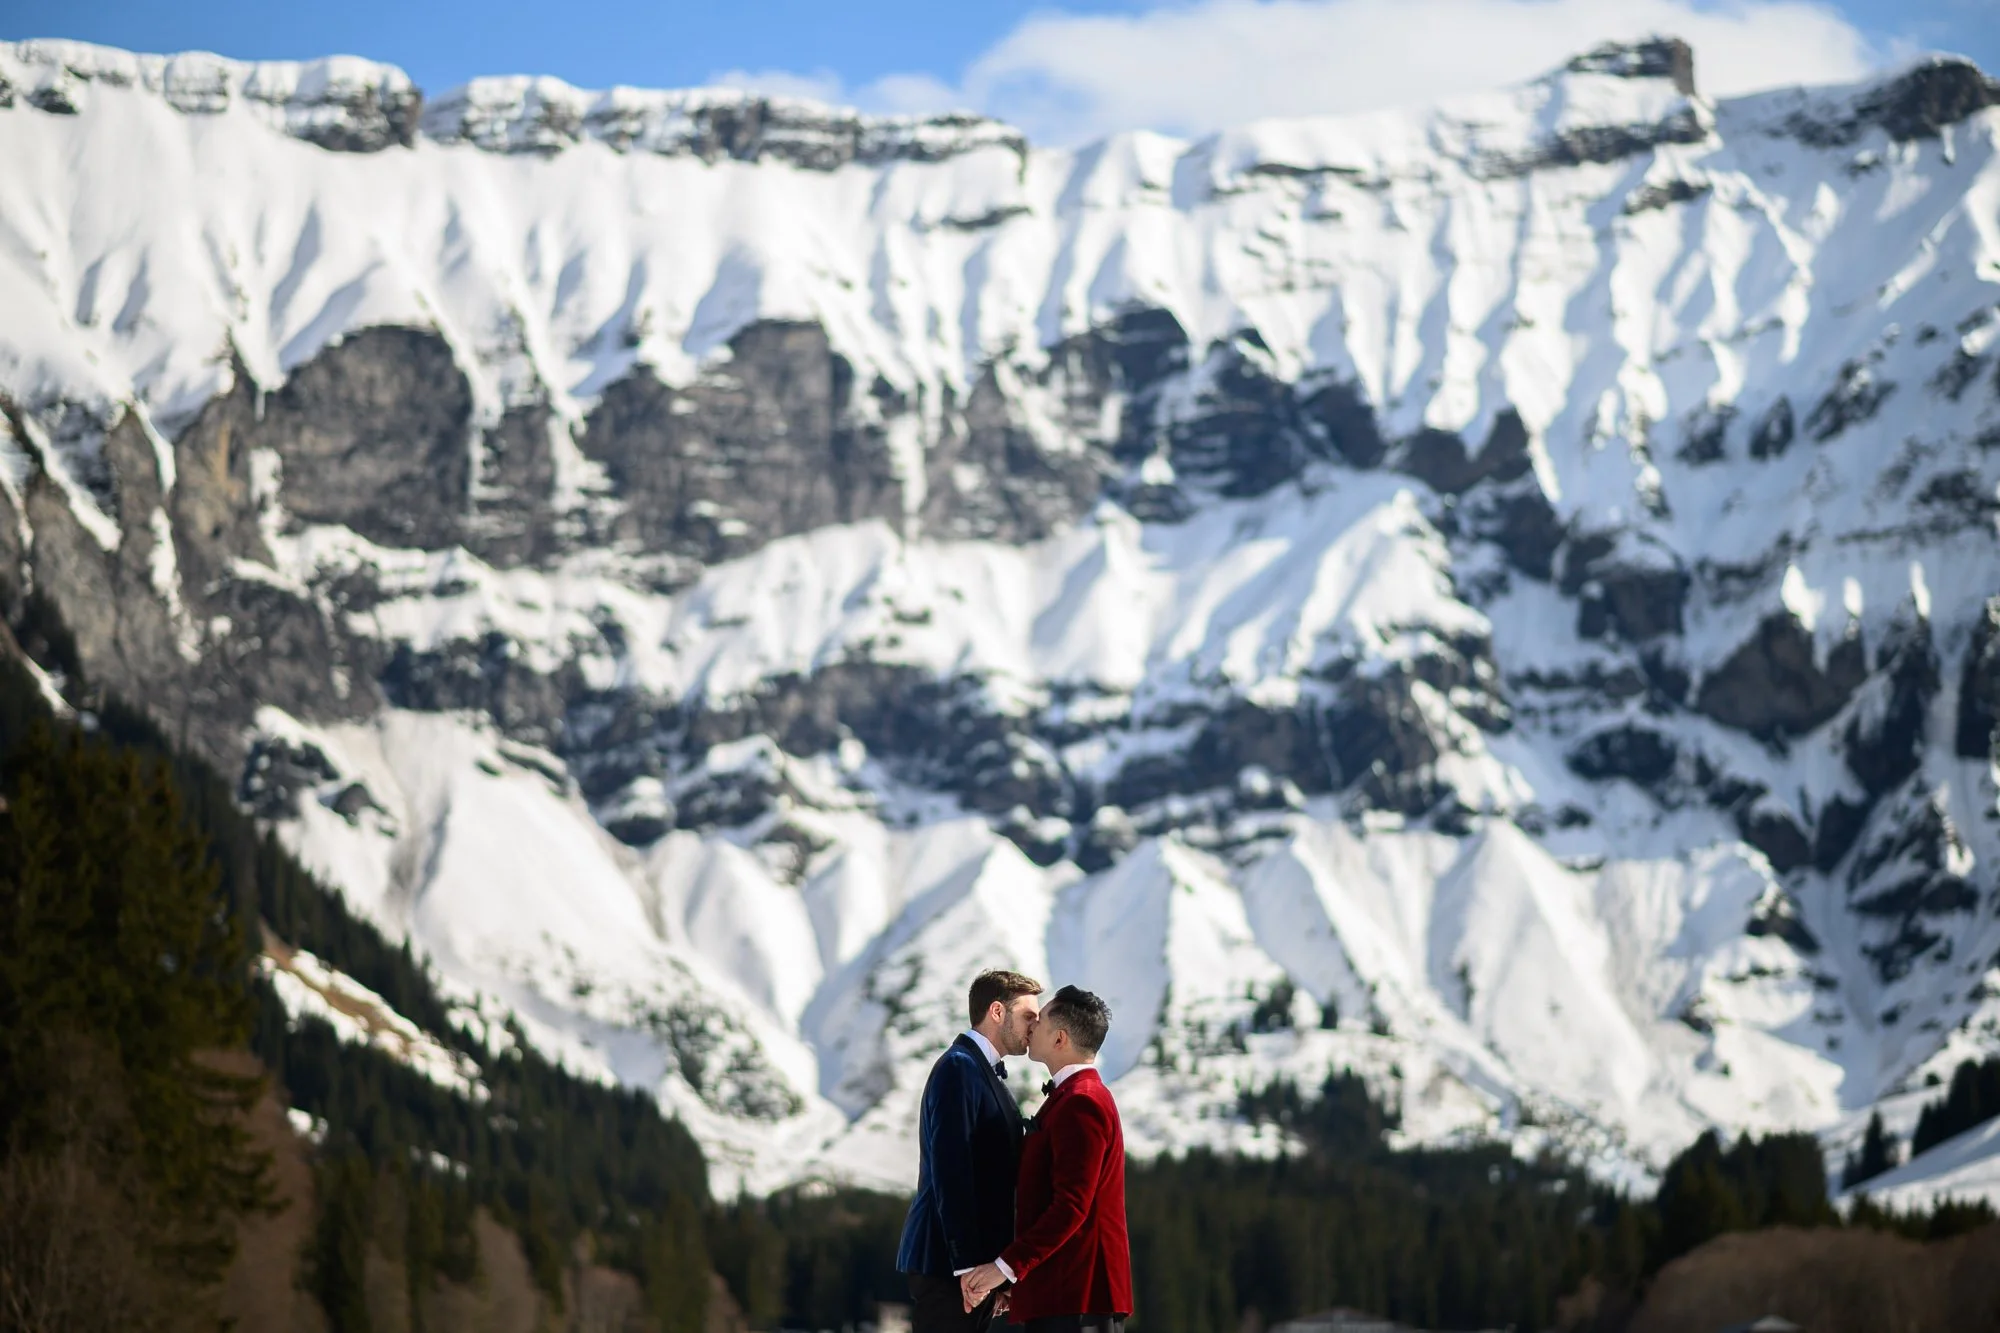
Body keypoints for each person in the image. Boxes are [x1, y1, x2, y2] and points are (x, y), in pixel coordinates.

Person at [959, 985, 1131, 1333]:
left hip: (1078, 1299)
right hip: (1062, 1295)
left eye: (1041, 1020)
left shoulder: (1082, 1103)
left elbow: (1071, 1207)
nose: (1032, 1025)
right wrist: (1020, 1281)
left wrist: (1005, 1268)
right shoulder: (1072, 1098)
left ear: (1059, 1039)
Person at [897, 969, 1044, 1333]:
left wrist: (999, 1276)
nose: (1035, 1026)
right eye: (1028, 1016)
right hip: (947, 1265)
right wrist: (968, 1268)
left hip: (970, 1269)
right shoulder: (958, 1069)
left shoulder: (981, 1072)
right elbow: (953, 1172)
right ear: (997, 1012)